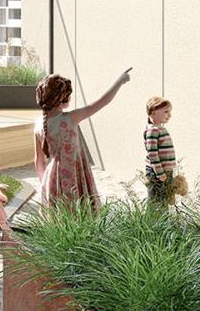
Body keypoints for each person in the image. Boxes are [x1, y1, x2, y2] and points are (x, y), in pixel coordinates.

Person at [33, 69, 131, 209]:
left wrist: (45, 184)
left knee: (60, 217)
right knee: (78, 213)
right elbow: (102, 102)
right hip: (73, 175)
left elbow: (38, 161)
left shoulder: (38, 124)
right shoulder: (69, 118)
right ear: (63, 98)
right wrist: (120, 81)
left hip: (52, 179)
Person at [143, 96, 188, 208]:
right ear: (153, 112)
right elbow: (152, 154)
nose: (169, 115)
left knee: (165, 197)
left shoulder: (160, 129)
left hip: (164, 171)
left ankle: (163, 221)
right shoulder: (152, 130)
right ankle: (154, 221)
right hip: (156, 172)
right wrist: (159, 172)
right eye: (166, 112)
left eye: (170, 112)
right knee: (156, 199)